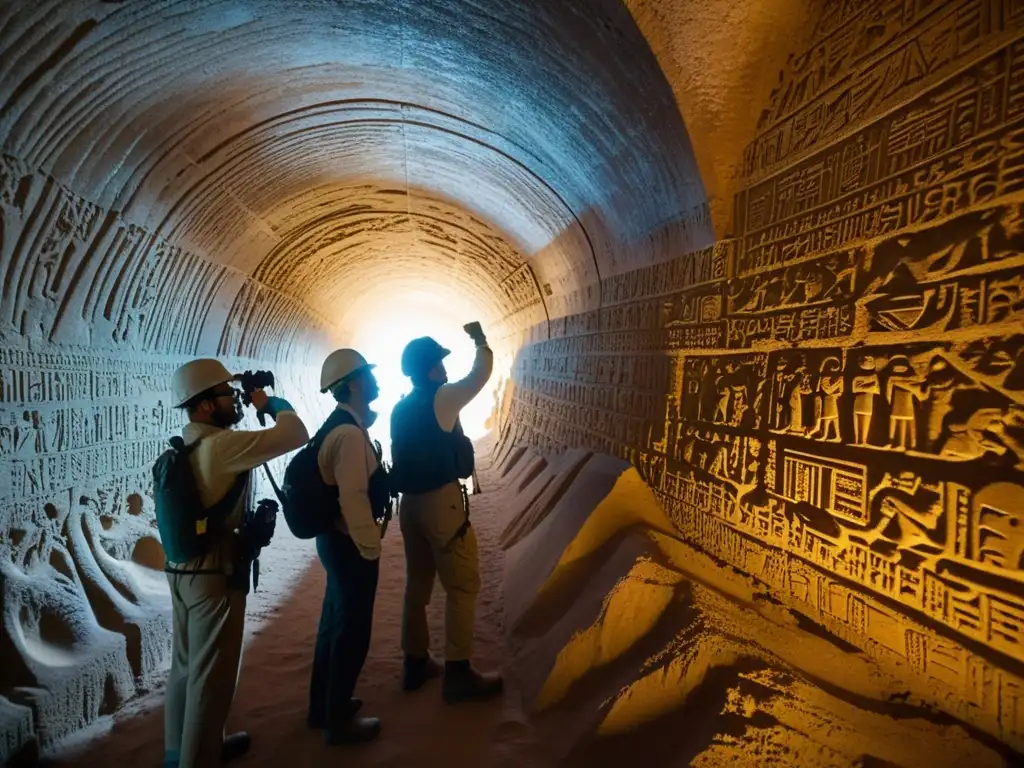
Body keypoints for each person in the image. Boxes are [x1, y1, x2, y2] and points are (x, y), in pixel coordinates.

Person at [162, 359, 308, 768]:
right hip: (215, 577)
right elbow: (295, 432)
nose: (237, 400)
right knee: (212, 681)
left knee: (186, 671)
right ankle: (199, 759)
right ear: (206, 405)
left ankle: (178, 754)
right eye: (228, 395)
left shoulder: (187, 445)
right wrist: (267, 402)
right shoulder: (222, 446)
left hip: (183, 572)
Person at [390, 324, 503, 703]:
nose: (444, 367)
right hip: (441, 503)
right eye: (440, 362)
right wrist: (481, 342)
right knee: (462, 584)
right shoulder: (443, 398)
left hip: (410, 506)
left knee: (417, 586)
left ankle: (415, 661)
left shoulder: (401, 406)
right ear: (431, 369)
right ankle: (458, 673)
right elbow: (480, 375)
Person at [308, 349, 387, 745]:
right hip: (349, 543)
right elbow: (354, 498)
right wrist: (370, 548)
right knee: (352, 632)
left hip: (335, 541)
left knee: (333, 625)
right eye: (368, 375)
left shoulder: (342, 426)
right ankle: (337, 720)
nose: (374, 380)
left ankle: (322, 706)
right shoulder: (348, 435)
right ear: (354, 384)